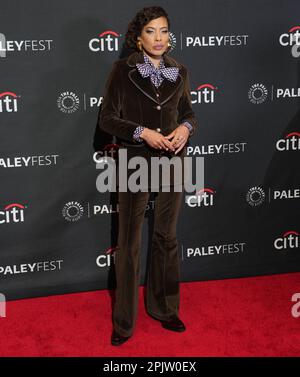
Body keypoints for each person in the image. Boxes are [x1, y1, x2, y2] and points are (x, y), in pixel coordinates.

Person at [98, 6, 198, 346]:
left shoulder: (180, 70)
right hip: (136, 160)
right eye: (151, 32)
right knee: (129, 242)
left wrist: (186, 128)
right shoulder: (121, 71)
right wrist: (142, 132)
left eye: (164, 31)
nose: (159, 38)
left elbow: (187, 111)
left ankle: (166, 308)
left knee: (166, 237)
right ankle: (124, 322)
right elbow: (107, 120)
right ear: (138, 39)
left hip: (174, 158)